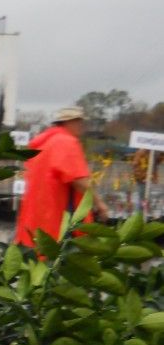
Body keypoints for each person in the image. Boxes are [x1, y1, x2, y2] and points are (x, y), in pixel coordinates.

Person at [15, 106, 109, 248]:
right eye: (79, 121)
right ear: (68, 122)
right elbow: (79, 181)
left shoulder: (45, 142)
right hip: (57, 216)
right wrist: (100, 204)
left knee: (37, 257)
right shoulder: (66, 142)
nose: (81, 126)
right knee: (60, 260)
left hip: (38, 215)